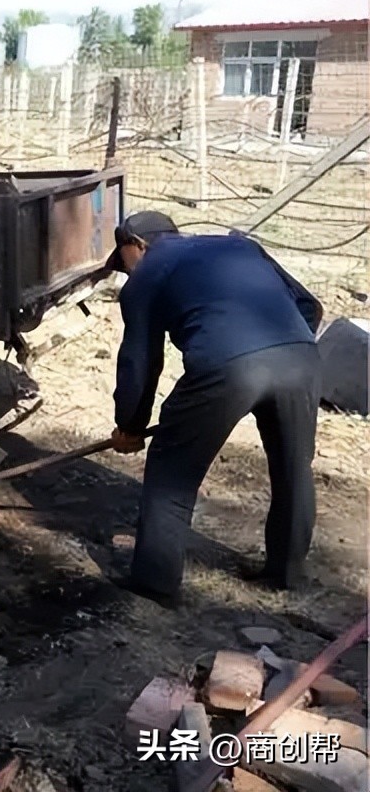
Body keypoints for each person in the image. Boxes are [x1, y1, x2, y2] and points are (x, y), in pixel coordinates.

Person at [105, 211, 323, 606]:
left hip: (227, 367)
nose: (124, 272)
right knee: (293, 466)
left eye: (122, 261)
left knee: (172, 471)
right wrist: (282, 349)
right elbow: (310, 305)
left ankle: (155, 582)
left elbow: (140, 360)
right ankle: (285, 572)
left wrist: (130, 425)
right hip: (301, 359)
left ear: (136, 245)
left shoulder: (146, 276)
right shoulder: (239, 245)